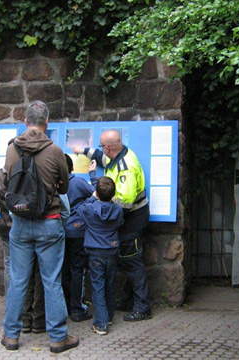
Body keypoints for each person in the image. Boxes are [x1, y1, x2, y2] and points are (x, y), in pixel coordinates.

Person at [1, 100, 79, 354]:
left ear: (25, 122)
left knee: (18, 280)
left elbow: (6, 178)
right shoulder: (55, 150)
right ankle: (58, 338)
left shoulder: (12, 148)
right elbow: (65, 187)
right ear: (47, 123)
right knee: (52, 281)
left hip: (21, 223)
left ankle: (11, 336)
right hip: (49, 222)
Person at [73, 129, 152, 321]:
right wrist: (83, 149)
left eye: (102, 145)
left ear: (109, 147)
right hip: (127, 220)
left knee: (133, 262)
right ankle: (129, 300)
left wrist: (102, 210)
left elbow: (125, 202)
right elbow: (102, 158)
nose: (101, 149)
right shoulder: (117, 155)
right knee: (127, 260)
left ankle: (142, 307)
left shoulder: (126, 166)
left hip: (132, 220)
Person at [78, 176, 124, 335]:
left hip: (95, 251)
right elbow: (120, 223)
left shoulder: (89, 208)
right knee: (110, 283)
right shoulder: (118, 209)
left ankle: (101, 323)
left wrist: (92, 197)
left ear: (97, 192)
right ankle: (109, 316)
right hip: (111, 249)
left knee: (98, 286)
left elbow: (80, 209)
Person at [62, 154, 93, 322]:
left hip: (59, 232)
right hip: (77, 232)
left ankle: (65, 305)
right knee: (77, 269)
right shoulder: (78, 182)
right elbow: (96, 195)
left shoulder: (54, 183)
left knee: (63, 270)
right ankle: (77, 308)